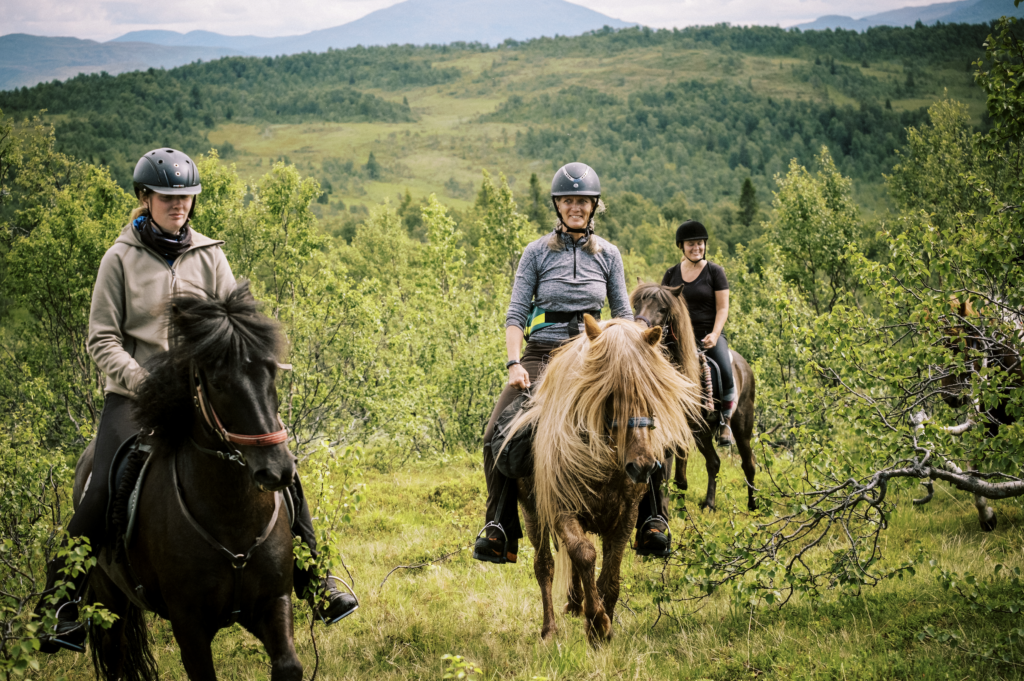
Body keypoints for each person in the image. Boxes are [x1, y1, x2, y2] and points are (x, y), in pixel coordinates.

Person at [35, 148, 356, 654]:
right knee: (102, 488)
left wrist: (252, 362)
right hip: (136, 396)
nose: (178, 205)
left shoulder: (210, 255)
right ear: (145, 198)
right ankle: (61, 604)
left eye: (186, 197)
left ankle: (316, 579)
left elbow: (235, 323)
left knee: (281, 465)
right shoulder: (119, 259)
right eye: (168, 197)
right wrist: (140, 379)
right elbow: (101, 338)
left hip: (204, 393)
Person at [472, 162, 673, 564]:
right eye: (568, 201)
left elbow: (622, 314)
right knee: (497, 433)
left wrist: (636, 354)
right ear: (557, 206)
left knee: (648, 422)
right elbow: (516, 315)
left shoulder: (609, 255)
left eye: (582, 201)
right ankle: (498, 526)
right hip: (542, 353)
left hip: (593, 355)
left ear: (594, 206)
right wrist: (514, 363)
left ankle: (652, 519)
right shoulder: (535, 253)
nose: (575, 207)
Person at [661, 220, 736, 446]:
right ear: (681, 246)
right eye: (691, 244)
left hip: (708, 335)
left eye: (700, 243)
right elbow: (663, 306)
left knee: (725, 370)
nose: (696, 248)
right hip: (678, 337)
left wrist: (715, 334)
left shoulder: (715, 272)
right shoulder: (671, 274)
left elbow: (723, 308)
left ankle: (725, 420)